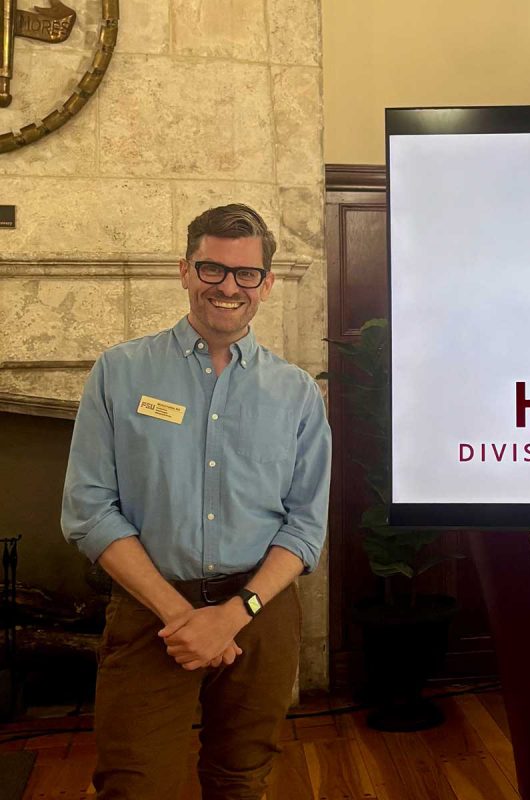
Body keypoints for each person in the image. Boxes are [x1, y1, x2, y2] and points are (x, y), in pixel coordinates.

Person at [61, 204, 332, 799]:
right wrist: (182, 617)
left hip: (259, 613)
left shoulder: (297, 394)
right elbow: (89, 508)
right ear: (184, 271)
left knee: (241, 780)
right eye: (212, 269)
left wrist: (233, 614)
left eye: (246, 274)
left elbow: (305, 527)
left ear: (266, 283)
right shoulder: (119, 373)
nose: (228, 286)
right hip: (148, 609)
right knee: (132, 785)